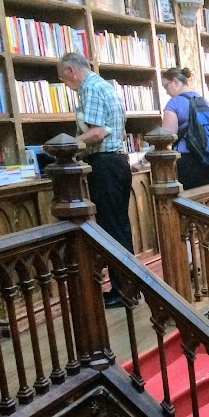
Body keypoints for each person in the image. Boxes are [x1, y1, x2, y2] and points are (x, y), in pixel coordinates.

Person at [57, 52, 133, 309]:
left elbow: (97, 132)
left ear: (70, 71)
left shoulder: (89, 88)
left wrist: (70, 146)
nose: (68, 85)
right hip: (118, 162)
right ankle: (129, 288)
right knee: (120, 227)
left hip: (105, 164)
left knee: (111, 230)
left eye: (64, 80)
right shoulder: (105, 86)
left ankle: (123, 292)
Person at [161, 67, 209, 188]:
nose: (166, 91)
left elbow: (164, 140)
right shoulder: (203, 101)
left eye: (166, 86)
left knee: (191, 206)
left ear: (175, 82)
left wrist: (142, 162)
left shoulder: (174, 103)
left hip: (190, 166)